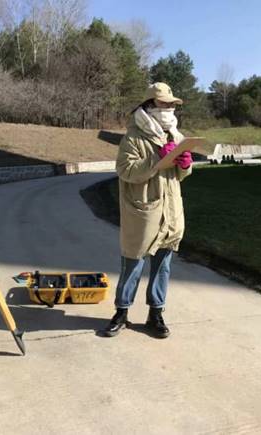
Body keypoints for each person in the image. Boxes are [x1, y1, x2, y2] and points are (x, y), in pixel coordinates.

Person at [102, 82, 192, 339]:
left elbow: (180, 175)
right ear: (150, 105)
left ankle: (156, 313)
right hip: (143, 212)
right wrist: (156, 159)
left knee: (163, 266)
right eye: (165, 104)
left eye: (172, 105)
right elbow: (125, 170)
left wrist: (185, 165)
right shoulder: (134, 136)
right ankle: (121, 312)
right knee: (133, 264)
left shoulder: (175, 135)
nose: (170, 108)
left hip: (170, 211)